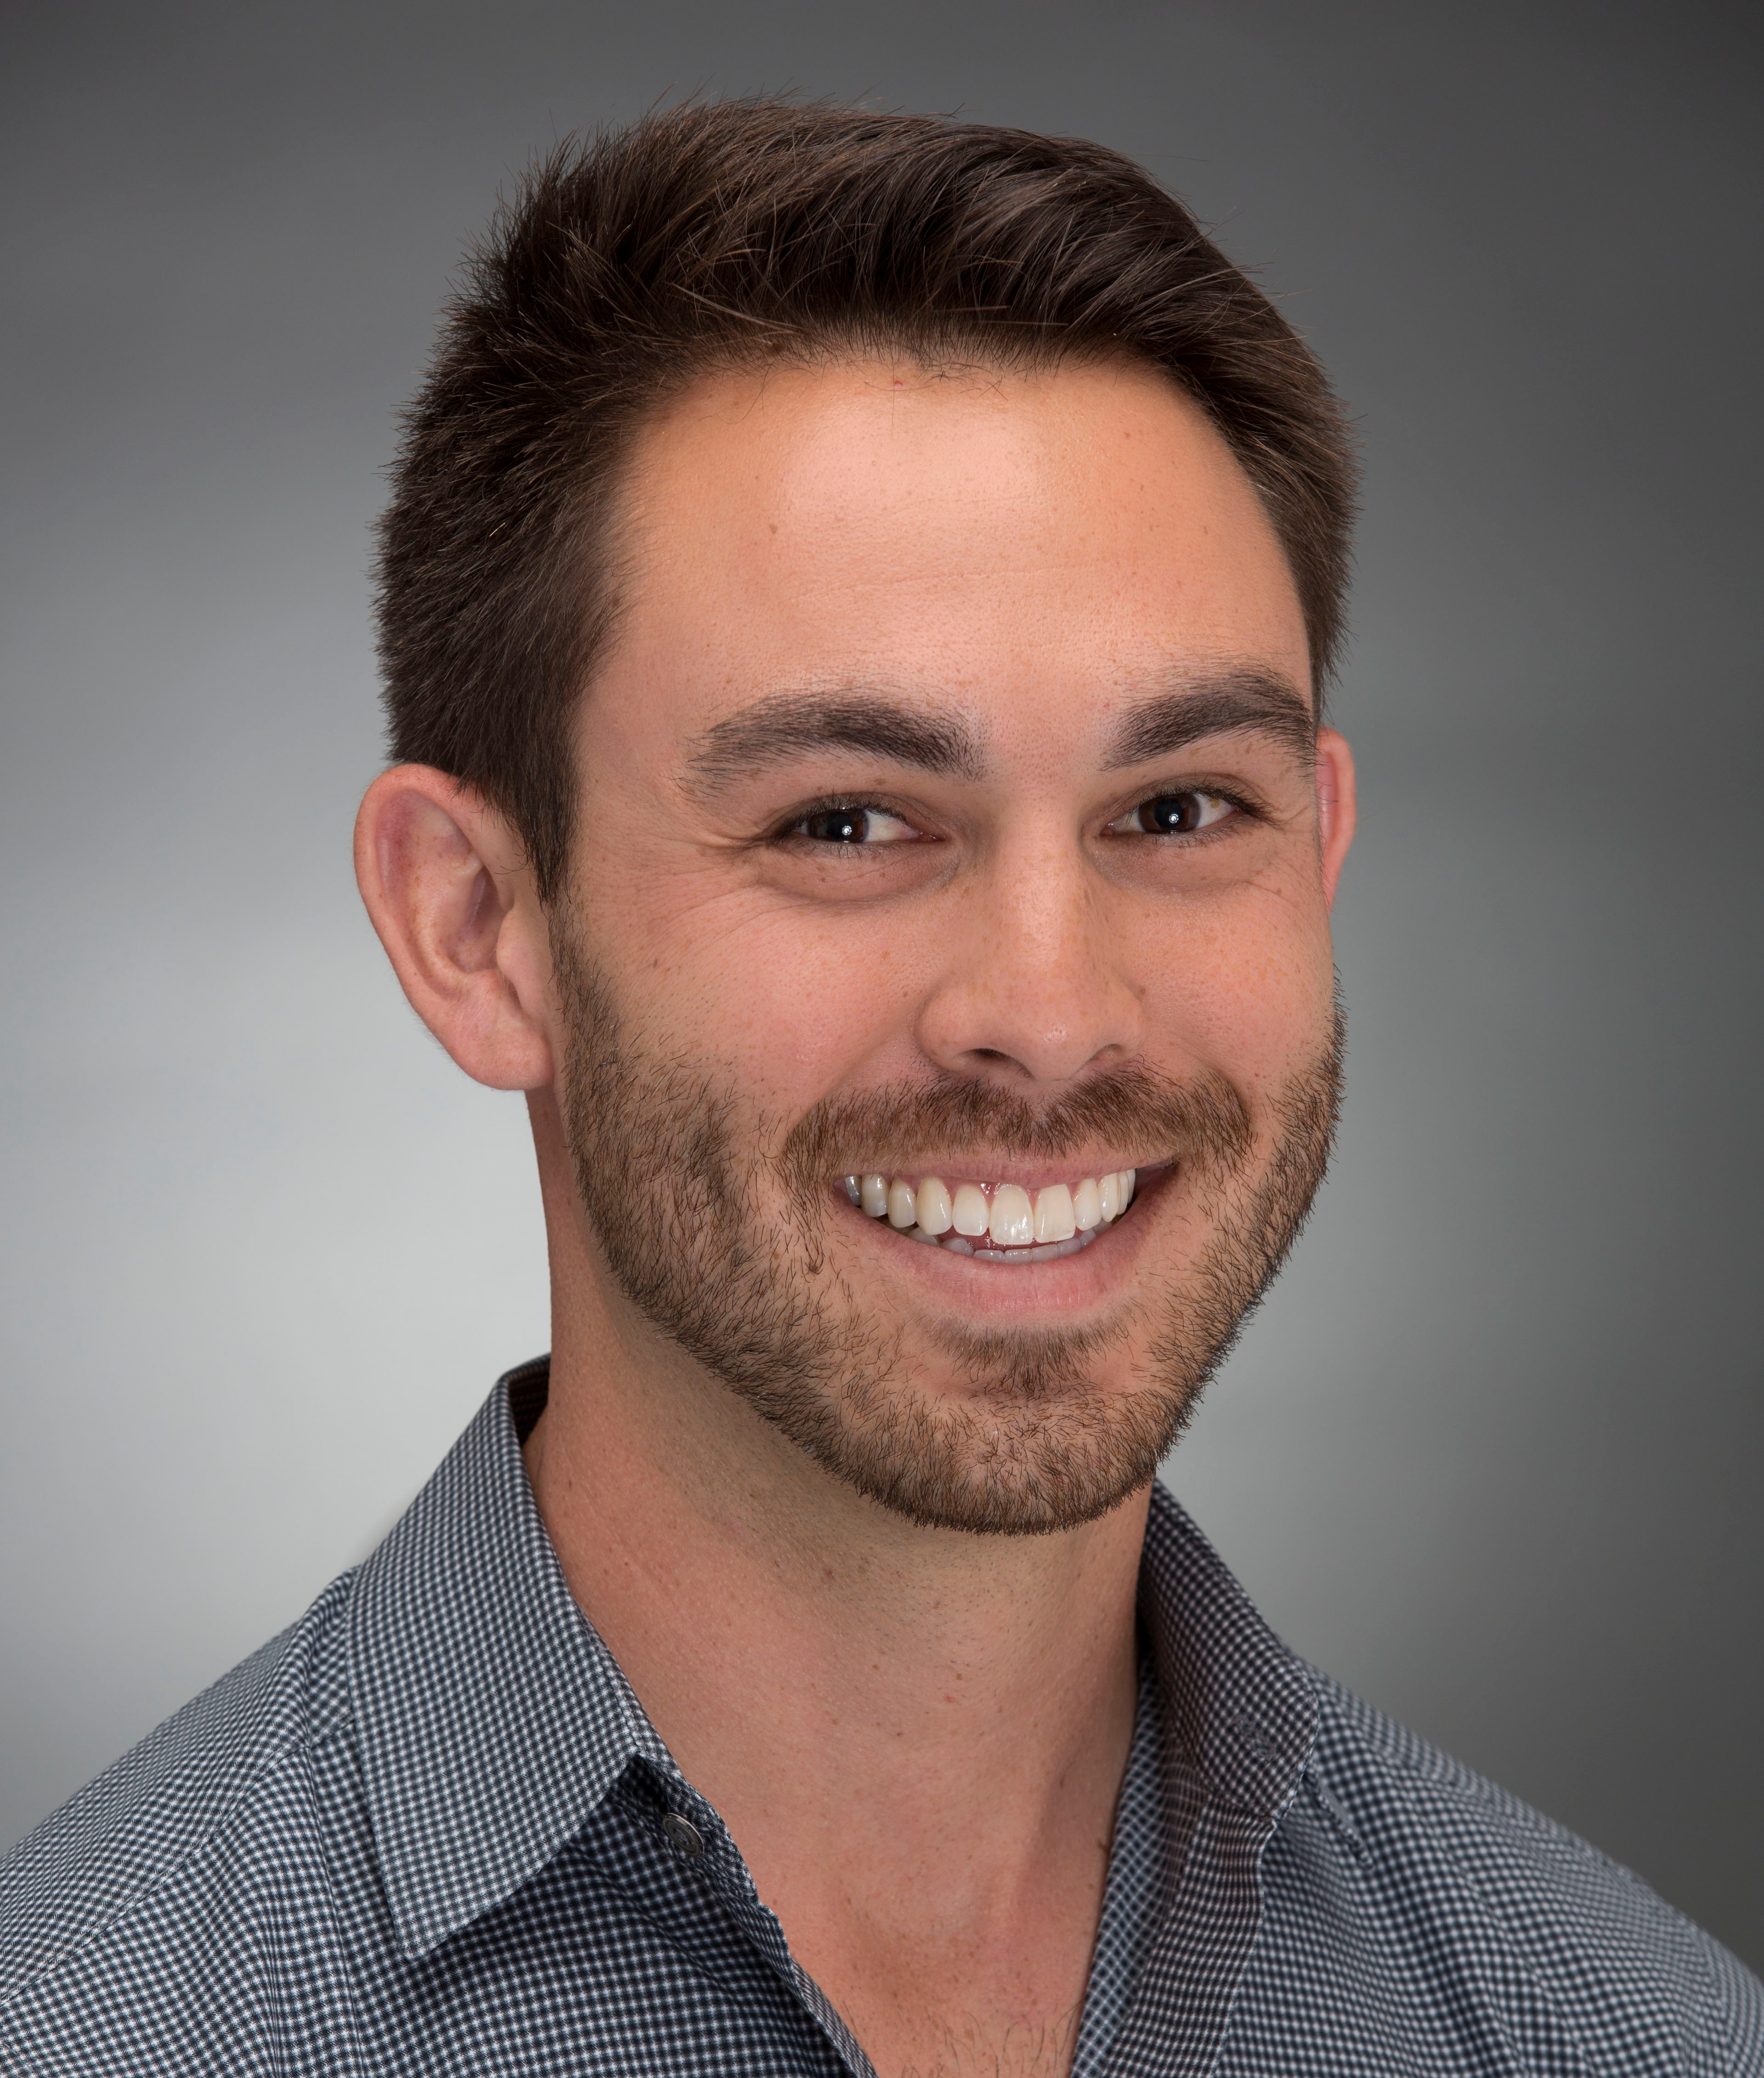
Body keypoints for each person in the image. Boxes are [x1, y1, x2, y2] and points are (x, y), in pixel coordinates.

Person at [1, 98, 1756, 2078]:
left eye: (1182, 810)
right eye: (847, 821)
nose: (1052, 1016)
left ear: (1322, 850)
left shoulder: (1635, 2036)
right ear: (479, 926)